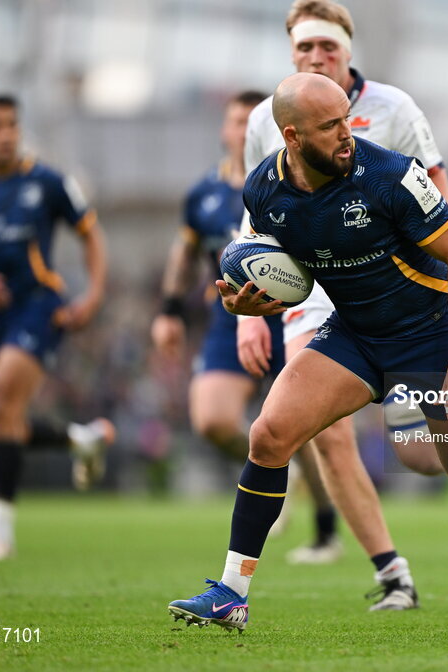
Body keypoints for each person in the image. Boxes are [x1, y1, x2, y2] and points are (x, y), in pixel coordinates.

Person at [166, 73, 448, 631]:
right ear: (291, 138)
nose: (347, 134)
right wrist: (253, 303)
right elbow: (293, 273)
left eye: (347, 118)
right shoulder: (264, 189)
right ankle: (231, 593)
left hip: (433, 337)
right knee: (268, 435)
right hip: (355, 335)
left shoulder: (391, 176)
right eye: (331, 126)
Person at [238, 0, 444, 597]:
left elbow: (437, 191)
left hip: (393, 284)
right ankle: (391, 573)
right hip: (310, 284)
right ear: (292, 53)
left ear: (348, 51)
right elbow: (254, 218)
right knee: (320, 432)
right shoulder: (266, 119)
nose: (317, 57)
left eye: (327, 47)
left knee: (426, 459)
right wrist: (245, 315)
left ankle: (407, 400)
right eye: (305, 48)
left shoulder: (393, 108)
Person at [0, 94, 113, 561]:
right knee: (1, 417)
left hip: (38, 305)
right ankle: (81, 439)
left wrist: (92, 295)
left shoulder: (47, 181)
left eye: (12, 124)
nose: (6, 134)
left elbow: (91, 234)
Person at [151, 91, 286, 466]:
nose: (245, 131)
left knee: (310, 427)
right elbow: (185, 255)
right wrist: (170, 311)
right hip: (230, 317)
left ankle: (324, 522)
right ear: (225, 130)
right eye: (238, 121)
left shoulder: (292, 183)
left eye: (255, 121)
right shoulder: (202, 194)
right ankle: (276, 463)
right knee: (212, 420)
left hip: (292, 314)